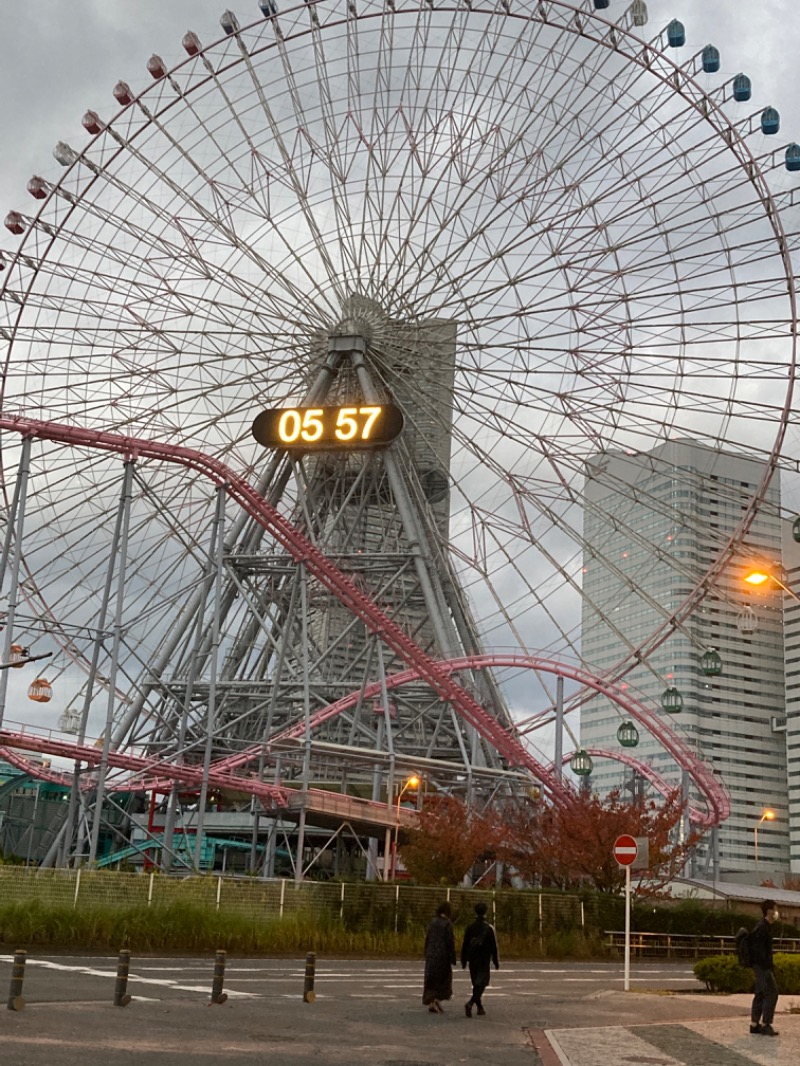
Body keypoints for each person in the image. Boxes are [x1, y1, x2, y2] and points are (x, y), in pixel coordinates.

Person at [460, 901, 499, 1018]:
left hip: (472, 959)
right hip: (484, 959)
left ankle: (480, 1007)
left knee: (476, 983)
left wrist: (463, 960)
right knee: (481, 983)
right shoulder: (489, 928)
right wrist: (496, 961)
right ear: (485, 912)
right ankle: (471, 1003)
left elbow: (465, 944)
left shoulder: (470, 927)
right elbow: (494, 946)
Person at [750, 898, 780, 1037]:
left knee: (760, 993)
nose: (776, 912)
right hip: (762, 967)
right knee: (771, 993)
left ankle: (754, 1024)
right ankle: (766, 1024)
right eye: (775, 909)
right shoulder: (763, 927)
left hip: (759, 966)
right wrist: (767, 964)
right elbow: (759, 950)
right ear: (769, 911)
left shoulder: (762, 926)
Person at [422, 901, 456, 1013]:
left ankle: (431, 1001)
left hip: (431, 955)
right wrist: (453, 957)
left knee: (430, 979)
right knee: (443, 980)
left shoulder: (433, 922)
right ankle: (437, 999)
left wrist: (426, 952)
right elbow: (450, 942)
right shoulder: (447, 924)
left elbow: (428, 939)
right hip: (443, 956)